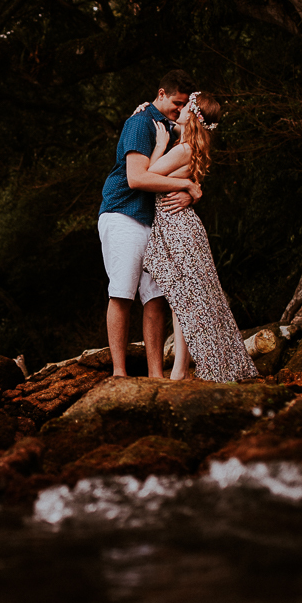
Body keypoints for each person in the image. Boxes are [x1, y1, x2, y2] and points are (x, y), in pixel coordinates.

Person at [142, 91, 258, 383]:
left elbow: (147, 175)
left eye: (184, 107)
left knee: (184, 299)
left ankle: (182, 369)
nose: (178, 110)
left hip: (178, 227)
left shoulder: (182, 149)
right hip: (179, 225)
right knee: (185, 299)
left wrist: (159, 144)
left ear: (192, 115)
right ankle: (182, 368)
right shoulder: (192, 147)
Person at [98, 70, 202, 377]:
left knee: (155, 298)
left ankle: (155, 375)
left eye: (184, 105)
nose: (179, 109)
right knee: (122, 292)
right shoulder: (140, 123)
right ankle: (119, 373)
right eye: (175, 102)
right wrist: (187, 188)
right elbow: (137, 177)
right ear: (160, 93)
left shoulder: (175, 128)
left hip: (157, 222)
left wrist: (192, 191)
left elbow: (188, 167)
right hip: (123, 213)